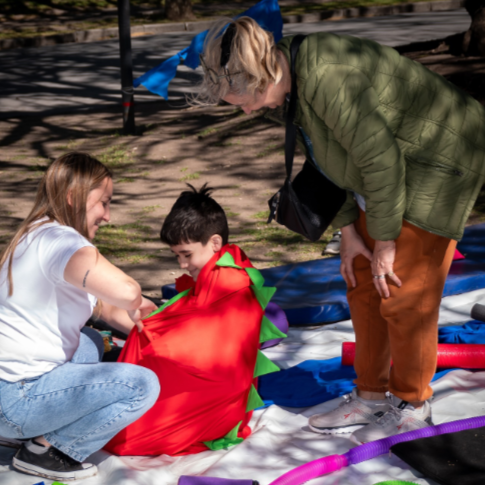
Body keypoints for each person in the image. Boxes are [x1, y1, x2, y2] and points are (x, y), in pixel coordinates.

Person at [197, 17, 485, 444]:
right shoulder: (289, 76)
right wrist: (350, 230)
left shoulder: (328, 77)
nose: (246, 110)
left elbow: (380, 160)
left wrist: (385, 241)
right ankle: (371, 396)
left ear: (262, 74)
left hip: (437, 161)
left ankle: (412, 404)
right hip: (385, 173)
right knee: (362, 282)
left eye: (242, 99)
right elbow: (333, 159)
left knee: (404, 293)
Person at [0, 152, 160, 481]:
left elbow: (106, 308)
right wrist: (137, 298)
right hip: (15, 400)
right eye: (104, 202)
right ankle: (47, 450)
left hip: (5, 392)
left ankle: (18, 433)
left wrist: (162, 328)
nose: (108, 216)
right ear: (74, 198)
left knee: (89, 341)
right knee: (142, 386)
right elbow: (127, 292)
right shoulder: (62, 242)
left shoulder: (35, 234)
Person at [104, 184, 286, 456]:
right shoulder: (224, 270)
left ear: (214, 242)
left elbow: (203, 347)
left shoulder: (229, 283)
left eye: (186, 254)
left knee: (120, 436)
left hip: (218, 405)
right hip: (219, 398)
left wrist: (153, 331)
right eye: (177, 255)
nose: (181, 264)